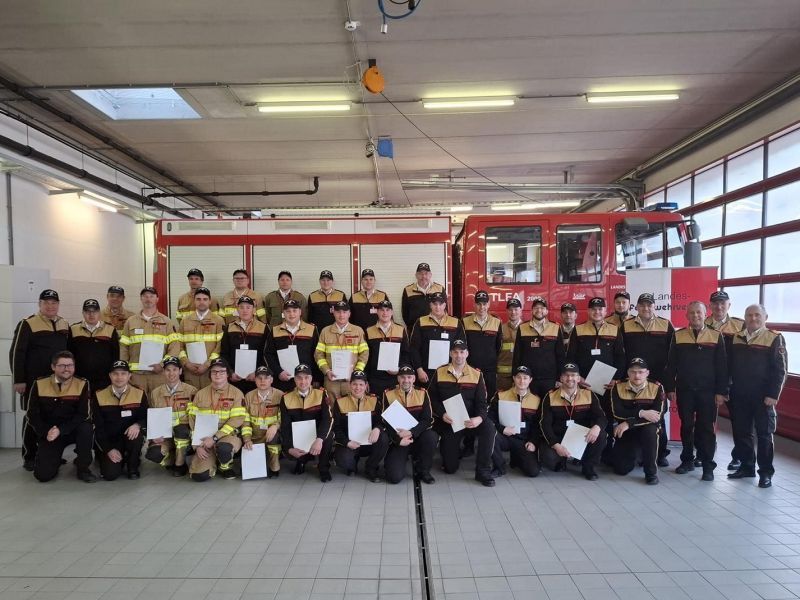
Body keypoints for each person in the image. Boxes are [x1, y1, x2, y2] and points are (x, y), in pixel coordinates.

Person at [664, 301, 728, 481]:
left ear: (705, 314)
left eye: (698, 312)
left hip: (708, 392)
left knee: (706, 428)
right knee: (686, 426)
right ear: (686, 315)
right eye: (691, 313)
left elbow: (722, 366)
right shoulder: (678, 335)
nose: (695, 316)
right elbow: (671, 364)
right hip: (685, 390)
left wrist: (721, 392)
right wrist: (670, 387)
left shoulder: (716, 335)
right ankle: (687, 461)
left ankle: (708, 465)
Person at [727, 304, 788, 488]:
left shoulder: (774, 338)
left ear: (765, 317)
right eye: (749, 315)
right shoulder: (737, 337)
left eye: (757, 315)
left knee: (764, 435)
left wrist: (773, 394)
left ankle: (765, 473)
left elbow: (780, 370)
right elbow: (729, 366)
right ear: (744, 317)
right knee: (742, 433)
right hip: (739, 395)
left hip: (763, 397)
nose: (753, 318)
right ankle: (747, 467)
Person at [9, 289, 69, 470]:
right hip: (33, 382)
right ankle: (29, 456)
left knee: (55, 416)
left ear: (58, 304)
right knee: (32, 417)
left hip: (57, 381)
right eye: (46, 302)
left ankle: (52, 453)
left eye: (54, 302)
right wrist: (19, 379)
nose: (50, 306)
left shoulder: (64, 324)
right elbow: (17, 353)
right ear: (39, 304)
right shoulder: (28, 323)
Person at [429, 340, 497, 487]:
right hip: (450, 423)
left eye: (462, 352)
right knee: (450, 469)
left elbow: (482, 403)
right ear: (450, 353)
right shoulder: (440, 372)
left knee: (489, 428)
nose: (458, 355)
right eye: (455, 352)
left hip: (471, 421)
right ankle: (453, 453)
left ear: (467, 354)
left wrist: (479, 418)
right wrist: (442, 414)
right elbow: (432, 399)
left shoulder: (476, 374)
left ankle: (483, 471)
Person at [568, 296, 625, 463]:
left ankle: (606, 453)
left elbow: (620, 358)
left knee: (606, 417)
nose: (597, 312)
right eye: (593, 309)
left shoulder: (614, 330)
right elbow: (570, 357)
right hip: (584, 384)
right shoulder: (578, 330)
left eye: (600, 309)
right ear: (588, 311)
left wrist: (617, 379)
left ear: (605, 311)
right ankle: (580, 454)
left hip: (607, 385)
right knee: (582, 417)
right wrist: (578, 377)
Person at [620, 293, 674, 467]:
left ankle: (661, 453)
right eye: (642, 305)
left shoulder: (665, 325)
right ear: (636, 307)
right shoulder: (626, 325)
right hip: (634, 378)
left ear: (654, 307)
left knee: (659, 416)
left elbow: (673, 356)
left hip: (658, 379)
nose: (646, 308)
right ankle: (639, 452)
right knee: (634, 412)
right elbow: (621, 353)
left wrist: (670, 385)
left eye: (649, 305)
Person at [25, 350, 96, 483]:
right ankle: (54, 459)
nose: (66, 369)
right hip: (50, 432)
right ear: (53, 367)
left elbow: (83, 414)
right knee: (43, 476)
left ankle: (83, 468)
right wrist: (46, 431)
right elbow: (32, 413)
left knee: (86, 428)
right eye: (62, 365)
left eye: (70, 365)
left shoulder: (82, 383)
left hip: (72, 429)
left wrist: (61, 430)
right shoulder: (39, 383)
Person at [539, 363, 607, 480]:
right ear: (561, 378)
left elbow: (601, 417)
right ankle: (562, 460)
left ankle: (588, 467)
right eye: (566, 375)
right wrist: (556, 445)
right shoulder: (550, 396)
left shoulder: (589, 394)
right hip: (559, 436)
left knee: (601, 434)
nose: (570, 378)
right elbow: (544, 424)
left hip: (581, 437)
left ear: (579, 378)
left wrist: (597, 427)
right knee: (549, 458)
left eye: (573, 375)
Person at [705, 290, 746, 471]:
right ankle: (705, 454)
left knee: (739, 421)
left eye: (723, 303)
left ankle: (739, 457)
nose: (719, 306)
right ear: (710, 306)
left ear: (729, 305)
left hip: (734, 381)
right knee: (706, 421)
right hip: (709, 380)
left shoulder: (740, 325)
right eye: (715, 303)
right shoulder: (702, 323)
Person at [187, 358, 247, 481]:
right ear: (210, 374)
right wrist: (197, 446)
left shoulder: (237, 393)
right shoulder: (200, 394)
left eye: (222, 372)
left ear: (228, 374)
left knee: (224, 448)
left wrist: (215, 438)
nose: (217, 374)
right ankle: (212, 461)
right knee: (199, 476)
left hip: (227, 436)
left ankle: (225, 466)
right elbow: (192, 420)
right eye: (214, 372)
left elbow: (236, 419)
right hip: (204, 439)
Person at [610, 358, 666, 485]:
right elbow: (617, 413)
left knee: (650, 431)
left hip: (644, 428)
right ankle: (638, 454)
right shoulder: (617, 386)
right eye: (633, 372)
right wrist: (642, 413)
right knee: (621, 469)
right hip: (627, 431)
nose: (637, 375)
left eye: (641, 372)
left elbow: (657, 416)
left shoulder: (657, 387)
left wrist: (629, 423)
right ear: (628, 373)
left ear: (647, 373)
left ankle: (651, 473)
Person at [120, 287, 180, 396]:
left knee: (158, 402)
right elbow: (123, 347)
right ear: (141, 299)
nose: (148, 299)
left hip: (159, 375)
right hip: (136, 375)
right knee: (138, 403)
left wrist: (162, 365)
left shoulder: (166, 321)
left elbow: (174, 347)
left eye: (151, 296)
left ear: (157, 299)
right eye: (145, 296)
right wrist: (124, 370)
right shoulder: (131, 321)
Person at [92, 360, 147, 481]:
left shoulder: (139, 393)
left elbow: (145, 417)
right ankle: (112, 457)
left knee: (136, 435)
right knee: (110, 475)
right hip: (110, 441)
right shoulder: (99, 395)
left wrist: (137, 425)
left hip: (130, 438)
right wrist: (108, 449)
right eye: (115, 374)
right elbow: (98, 426)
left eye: (123, 373)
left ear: (129, 375)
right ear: (110, 376)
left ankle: (133, 467)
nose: (119, 377)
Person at [382, 365, 438, 484]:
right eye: (403, 377)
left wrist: (412, 432)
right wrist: (397, 440)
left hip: (418, 437)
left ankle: (423, 469)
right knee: (394, 478)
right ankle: (398, 459)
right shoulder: (388, 394)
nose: (406, 380)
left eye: (409, 377)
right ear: (398, 379)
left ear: (414, 379)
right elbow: (386, 422)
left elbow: (428, 420)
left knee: (431, 436)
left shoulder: (422, 393)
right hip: (399, 440)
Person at [332, 371, 389, 482]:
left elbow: (382, 420)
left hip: (369, 442)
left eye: (361, 384)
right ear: (350, 385)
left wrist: (377, 428)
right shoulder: (340, 402)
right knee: (343, 460)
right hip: (350, 444)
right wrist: (346, 442)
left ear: (366, 385)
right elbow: (336, 427)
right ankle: (352, 466)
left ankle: (371, 467)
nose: (357, 388)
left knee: (383, 438)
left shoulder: (374, 400)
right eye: (354, 384)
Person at [280, 364, 334, 482]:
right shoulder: (286, 397)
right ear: (294, 379)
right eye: (299, 378)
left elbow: (328, 419)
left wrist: (319, 439)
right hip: (298, 436)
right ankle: (301, 461)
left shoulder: (321, 393)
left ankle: (323, 467)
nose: (303, 381)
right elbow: (285, 425)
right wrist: (289, 448)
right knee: (287, 447)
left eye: (306, 377)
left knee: (328, 435)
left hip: (316, 434)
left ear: (311, 379)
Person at [145, 356, 196, 477]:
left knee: (181, 430)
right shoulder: (155, 393)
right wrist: (154, 436)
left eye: (174, 369)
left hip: (184, 434)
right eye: (168, 370)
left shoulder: (191, 391)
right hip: (165, 435)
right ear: (163, 372)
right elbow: (153, 417)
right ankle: (172, 458)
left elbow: (194, 417)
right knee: (153, 454)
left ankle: (180, 464)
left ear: (180, 371)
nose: (171, 373)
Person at [490, 365, 541, 478]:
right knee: (491, 435)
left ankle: (517, 458)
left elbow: (537, 425)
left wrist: (533, 441)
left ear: (530, 380)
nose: (522, 381)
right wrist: (502, 429)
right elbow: (490, 417)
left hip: (523, 441)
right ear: (513, 378)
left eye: (525, 378)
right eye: (518, 377)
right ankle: (499, 467)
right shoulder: (501, 395)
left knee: (533, 472)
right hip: (505, 437)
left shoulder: (537, 400)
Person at [512, 296, 566, 398]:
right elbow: (517, 355)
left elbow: (560, 355)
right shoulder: (522, 328)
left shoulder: (555, 327)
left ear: (546, 311)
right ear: (532, 310)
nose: (539, 310)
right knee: (530, 406)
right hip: (527, 379)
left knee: (548, 405)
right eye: (536, 308)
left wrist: (560, 378)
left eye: (542, 308)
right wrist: (515, 377)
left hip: (550, 379)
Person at [314, 300, 369, 401]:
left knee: (352, 406)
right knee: (332, 407)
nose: (341, 315)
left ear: (349, 314)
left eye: (344, 312)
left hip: (351, 381)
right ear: (333, 313)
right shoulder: (325, 331)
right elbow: (318, 354)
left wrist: (357, 372)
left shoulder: (358, 331)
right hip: (331, 380)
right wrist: (327, 371)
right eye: (338, 312)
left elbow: (364, 353)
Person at [409, 291, 466, 385]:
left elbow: (461, 348)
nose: (437, 307)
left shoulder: (456, 322)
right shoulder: (421, 322)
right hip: (426, 373)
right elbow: (414, 348)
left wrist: (458, 370)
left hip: (449, 372)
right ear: (430, 305)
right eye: (435, 304)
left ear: (445, 305)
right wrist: (419, 370)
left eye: (440, 304)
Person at [264, 299, 321, 393]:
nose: (291, 314)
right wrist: (279, 372)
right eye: (288, 311)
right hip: (283, 380)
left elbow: (317, 354)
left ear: (300, 312)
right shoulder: (274, 331)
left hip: (305, 381)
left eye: (294, 311)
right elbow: (268, 354)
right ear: (283, 313)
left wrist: (316, 378)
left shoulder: (312, 329)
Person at [68, 299, 119, 394]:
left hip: (104, 380)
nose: (91, 314)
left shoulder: (110, 329)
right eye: (88, 311)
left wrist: (114, 376)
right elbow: (69, 354)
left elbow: (115, 355)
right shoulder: (73, 329)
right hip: (79, 379)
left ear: (99, 313)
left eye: (94, 311)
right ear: (83, 313)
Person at [219, 295, 268, 394]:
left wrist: (258, 372)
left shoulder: (263, 328)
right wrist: (230, 372)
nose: (245, 310)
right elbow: (224, 353)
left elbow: (267, 354)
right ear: (237, 309)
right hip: (235, 378)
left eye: (248, 307)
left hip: (257, 379)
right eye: (241, 307)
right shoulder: (229, 327)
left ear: (254, 310)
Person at [178, 286, 225, 389]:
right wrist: (186, 363)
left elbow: (220, 346)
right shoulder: (185, 321)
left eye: (205, 299)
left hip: (211, 370)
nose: (201, 302)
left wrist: (207, 364)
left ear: (210, 301)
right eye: (198, 299)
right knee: (191, 397)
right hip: (190, 371)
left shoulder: (218, 320)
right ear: (194, 301)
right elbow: (179, 345)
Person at [241, 366, 283, 478]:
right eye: (259, 378)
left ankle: (274, 467)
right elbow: (245, 421)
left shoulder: (280, 395)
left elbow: (283, 417)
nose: (262, 381)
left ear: (272, 380)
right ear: (255, 380)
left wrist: (275, 426)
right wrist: (247, 439)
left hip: (271, 434)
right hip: (254, 437)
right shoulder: (248, 396)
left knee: (274, 439)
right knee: (252, 470)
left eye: (266, 378)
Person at [364, 299, 410, 400]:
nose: (385, 313)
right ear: (377, 312)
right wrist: (365, 379)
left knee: (394, 407)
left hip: (395, 378)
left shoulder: (401, 329)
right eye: (382, 310)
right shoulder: (368, 330)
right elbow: (366, 357)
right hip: (375, 379)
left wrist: (399, 369)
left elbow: (405, 354)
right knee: (377, 406)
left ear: (392, 312)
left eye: (388, 310)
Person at [462, 290, 502, 400]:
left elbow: (498, 346)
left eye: (484, 304)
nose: (482, 307)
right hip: (471, 368)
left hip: (490, 369)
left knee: (490, 397)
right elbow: (463, 345)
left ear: (488, 304)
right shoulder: (465, 322)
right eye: (479, 304)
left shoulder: (496, 322)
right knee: (472, 397)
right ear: (474, 305)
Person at [401, 262, 445, 327]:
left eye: (426, 273)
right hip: (415, 328)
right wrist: (412, 327)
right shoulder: (407, 290)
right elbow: (405, 313)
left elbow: (445, 309)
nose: (423, 276)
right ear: (416, 275)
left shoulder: (439, 289)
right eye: (420, 274)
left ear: (430, 275)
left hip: (435, 328)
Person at [496, 298, 523, 392]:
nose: (513, 312)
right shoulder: (500, 329)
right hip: (503, 377)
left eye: (516, 309)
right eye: (510, 309)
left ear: (521, 310)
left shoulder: (527, 328)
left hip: (522, 376)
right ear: (507, 311)